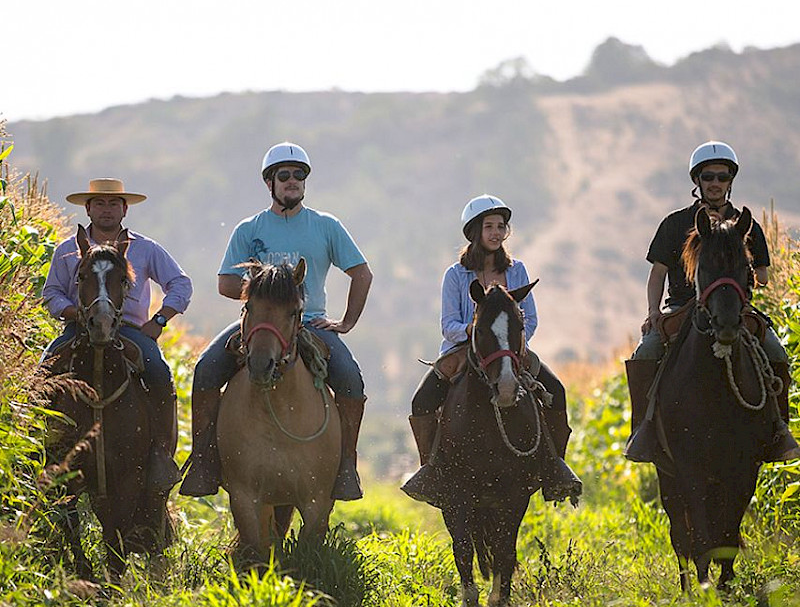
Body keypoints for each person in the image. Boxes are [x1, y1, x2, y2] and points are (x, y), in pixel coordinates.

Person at [180, 142, 373, 500]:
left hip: (310, 324)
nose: (292, 181)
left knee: (350, 379)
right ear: (270, 182)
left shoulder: (326, 226)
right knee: (206, 368)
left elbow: (362, 274)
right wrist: (262, 294)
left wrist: (345, 323)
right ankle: (204, 461)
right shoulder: (248, 228)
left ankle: (346, 466)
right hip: (258, 326)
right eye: (283, 175)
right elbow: (225, 283)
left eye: (299, 175)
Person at [625, 140, 797, 463]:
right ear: (697, 181)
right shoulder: (675, 224)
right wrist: (652, 312)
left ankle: (778, 430)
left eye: (722, 177)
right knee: (646, 351)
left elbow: (763, 276)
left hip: (734, 307)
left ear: (730, 181)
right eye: (708, 177)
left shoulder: (747, 226)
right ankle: (643, 430)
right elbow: (657, 274)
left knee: (775, 350)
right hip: (682, 306)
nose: (715, 183)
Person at [406, 194, 580, 504]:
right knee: (421, 400)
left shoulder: (518, 270)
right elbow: (448, 324)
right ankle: (431, 470)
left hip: (511, 350)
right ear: (474, 231)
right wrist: (471, 332)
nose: (496, 233)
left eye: (501, 227)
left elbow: (531, 318)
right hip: (462, 350)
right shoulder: (455, 275)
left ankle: (555, 467)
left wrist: (516, 344)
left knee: (557, 391)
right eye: (489, 226)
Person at [41, 178, 193, 491]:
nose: (106, 209)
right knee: (42, 371)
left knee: (159, 372)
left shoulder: (146, 248)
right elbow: (52, 292)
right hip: (79, 326)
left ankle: (160, 454)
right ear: (88, 208)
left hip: (129, 329)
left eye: (113, 203)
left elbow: (180, 284)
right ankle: (38, 450)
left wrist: (160, 319)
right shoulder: (68, 250)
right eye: (100, 203)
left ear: (124, 209)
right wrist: (74, 313)